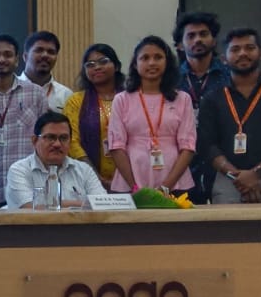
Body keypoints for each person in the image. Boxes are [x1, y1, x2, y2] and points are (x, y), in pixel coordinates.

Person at [198, 29, 261, 204]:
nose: (243, 53)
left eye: (249, 48)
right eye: (235, 49)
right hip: (229, 182)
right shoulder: (212, 99)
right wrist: (236, 176)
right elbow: (207, 145)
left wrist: (257, 173)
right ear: (224, 58)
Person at [108, 36, 197, 194]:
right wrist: (135, 187)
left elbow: (188, 147)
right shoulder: (122, 99)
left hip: (175, 181)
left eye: (158, 57)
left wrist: (166, 187)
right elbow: (116, 146)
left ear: (167, 62)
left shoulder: (182, 99)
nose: (151, 63)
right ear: (135, 64)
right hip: (131, 182)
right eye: (145, 58)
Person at [0, 34, 50, 209]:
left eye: (7, 55)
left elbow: (46, 141)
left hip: (29, 189)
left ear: (16, 60)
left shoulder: (36, 93)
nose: (1, 59)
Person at [174, 12, 231, 204]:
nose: (198, 39)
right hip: (181, 166)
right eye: (191, 35)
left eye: (203, 34)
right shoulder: (170, 79)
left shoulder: (230, 76)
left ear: (213, 40)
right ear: (180, 45)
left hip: (223, 161)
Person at [5, 112, 108, 209]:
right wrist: (84, 205)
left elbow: (103, 205)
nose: (57, 144)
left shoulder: (84, 170)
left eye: (63, 138)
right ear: (35, 140)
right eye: (50, 137)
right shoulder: (19, 170)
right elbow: (29, 207)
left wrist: (49, 204)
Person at [64, 44, 123, 190]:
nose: (97, 67)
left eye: (103, 61)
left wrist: (123, 178)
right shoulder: (76, 101)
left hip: (130, 178)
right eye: (90, 64)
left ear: (116, 66)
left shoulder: (130, 98)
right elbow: (72, 141)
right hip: (87, 180)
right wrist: (95, 177)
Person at [24, 31, 71, 113]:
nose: (45, 55)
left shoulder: (66, 95)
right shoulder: (10, 90)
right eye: (39, 50)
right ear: (25, 56)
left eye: (51, 52)